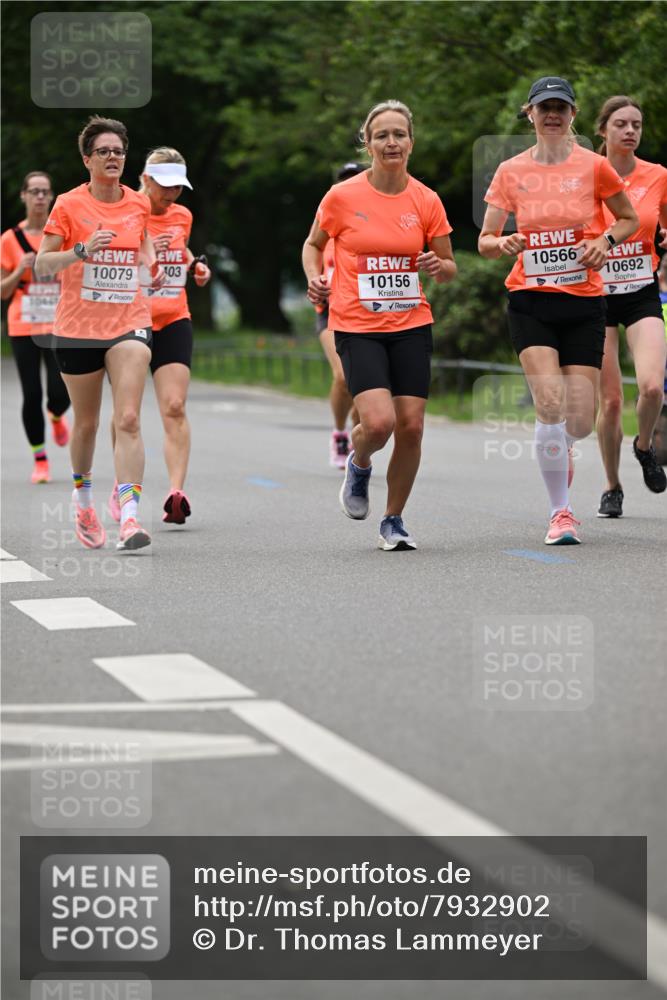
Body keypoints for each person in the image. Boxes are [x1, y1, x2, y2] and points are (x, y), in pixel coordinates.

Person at [479, 76, 638, 545]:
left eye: (561, 108)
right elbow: (485, 242)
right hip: (530, 300)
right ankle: (561, 513)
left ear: (574, 115)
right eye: (544, 107)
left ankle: (562, 444)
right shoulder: (510, 170)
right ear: (529, 114)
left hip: (584, 302)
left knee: (581, 419)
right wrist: (502, 241)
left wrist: (604, 241)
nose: (552, 114)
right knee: (550, 403)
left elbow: (628, 219)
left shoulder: (595, 166)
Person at [302, 100, 456, 550]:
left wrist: (436, 265)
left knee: (411, 426)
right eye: (382, 135)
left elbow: (448, 266)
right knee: (380, 422)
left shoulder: (425, 199)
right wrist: (317, 278)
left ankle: (393, 519)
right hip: (356, 323)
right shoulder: (343, 196)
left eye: (399, 134)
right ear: (367, 143)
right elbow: (313, 245)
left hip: (411, 321)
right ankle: (360, 462)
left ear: (411, 141)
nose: (392, 142)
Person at [36, 116, 163, 551]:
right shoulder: (69, 205)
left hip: (129, 320)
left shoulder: (138, 203)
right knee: (87, 423)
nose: (113, 157)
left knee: (127, 418)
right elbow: (42, 263)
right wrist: (81, 250)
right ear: (87, 159)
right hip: (77, 328)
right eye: (104, 151)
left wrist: (150, 262)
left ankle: (129, 518)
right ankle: (84, 499)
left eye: (119, 151)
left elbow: (141, 238)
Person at [107, 147, 211, 527]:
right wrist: (145, 253)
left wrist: (195, 267)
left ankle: (175, 493)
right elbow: (110, 259)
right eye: (165, 187)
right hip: (131, 320)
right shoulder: (125, 208)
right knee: (127, 412)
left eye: (178, 188)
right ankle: (122, 484)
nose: (171, 196)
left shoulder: (182, 214)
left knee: (174, 405)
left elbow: (180, 250)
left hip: (173, 317)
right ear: (146, 179)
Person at [593, 96, 667, 517]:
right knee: (612, 401)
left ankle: (643, 446)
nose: (630, 131)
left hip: (640, 291)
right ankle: (611, 485)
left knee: (653, 386)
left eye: (636, 124)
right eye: (621, 123)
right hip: (595, 296)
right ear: (602, 130)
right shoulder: (583, 175)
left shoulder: (658, 176)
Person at [1, 171, 70, 483]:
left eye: (45, 192)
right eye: (35, 192)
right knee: (32, 392)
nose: (40, 197)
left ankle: (56, 415)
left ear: (52, 196)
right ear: (24, 196)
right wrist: (19, 269)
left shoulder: (60, 235)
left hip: (59, 322)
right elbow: (2, 290)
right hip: (24, 323)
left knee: (61, 389)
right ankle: (40, 460)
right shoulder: (9, 240)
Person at [314, 162, 365, 469]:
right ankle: (339, 433)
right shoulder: (328, 223)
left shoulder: (375, 224)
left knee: (364, 386)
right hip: (330, 312)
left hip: (367, 315)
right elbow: (312, 256)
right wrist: (315, 280)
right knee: (344, 377)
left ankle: (360, 437)